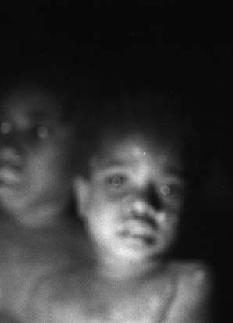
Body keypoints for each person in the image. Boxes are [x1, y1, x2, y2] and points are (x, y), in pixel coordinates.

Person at [27, 91, 213, 322]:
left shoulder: (186, 284)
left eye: (168, 190)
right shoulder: (52, 294)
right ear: (83, 196)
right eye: (118, 181)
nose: (142, 203)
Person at [0, 67, 90, 320]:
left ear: (81, 151)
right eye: (3, 128)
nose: (8, 148)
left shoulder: (93, 262)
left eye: (38, 132)